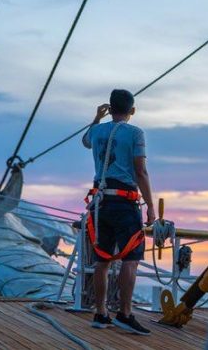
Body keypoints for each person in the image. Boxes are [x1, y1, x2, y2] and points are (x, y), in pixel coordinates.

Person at [81, 89, 156, 335]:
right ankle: (125, 313)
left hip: (100, 203)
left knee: (102, 260)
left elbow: (85, 141)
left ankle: (100, 313)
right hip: (124, 203)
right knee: (131, 260)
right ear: (132, 111)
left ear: (110, 108)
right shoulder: (135, 133)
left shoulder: (98, 130)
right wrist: (151, 207)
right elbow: (141, 171)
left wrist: (96, 117)